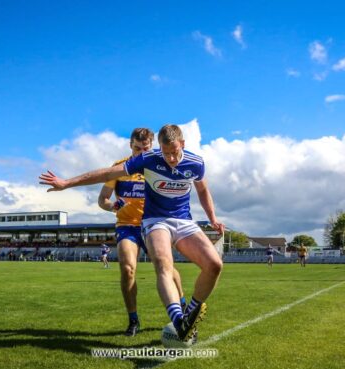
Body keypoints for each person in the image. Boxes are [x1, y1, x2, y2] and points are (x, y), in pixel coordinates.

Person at [40, 124, 224, 342]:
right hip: (153, 221)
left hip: (183, 220)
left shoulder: (196, 163)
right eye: (166, 154)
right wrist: (66, 183)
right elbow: (107, 174)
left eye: (174, 153)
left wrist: (212, 218)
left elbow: (203, 190)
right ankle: (175, 321)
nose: (171, 159)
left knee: (214, 265)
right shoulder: (147, 159)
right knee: (161, 264)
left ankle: (189, 314)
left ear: (182, 144)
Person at [97, 127, 186, 336]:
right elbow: (102, 200)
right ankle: (133, 320)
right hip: (127, 225)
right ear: (130, 146)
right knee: (127, 269)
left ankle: (182, 308)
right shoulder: (119, 168)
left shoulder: (159, 166)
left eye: (145, 149)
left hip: (153, 224)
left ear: (151, 147)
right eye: (137, 149)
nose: (141, 153)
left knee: (166, 268)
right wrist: (112, 206)